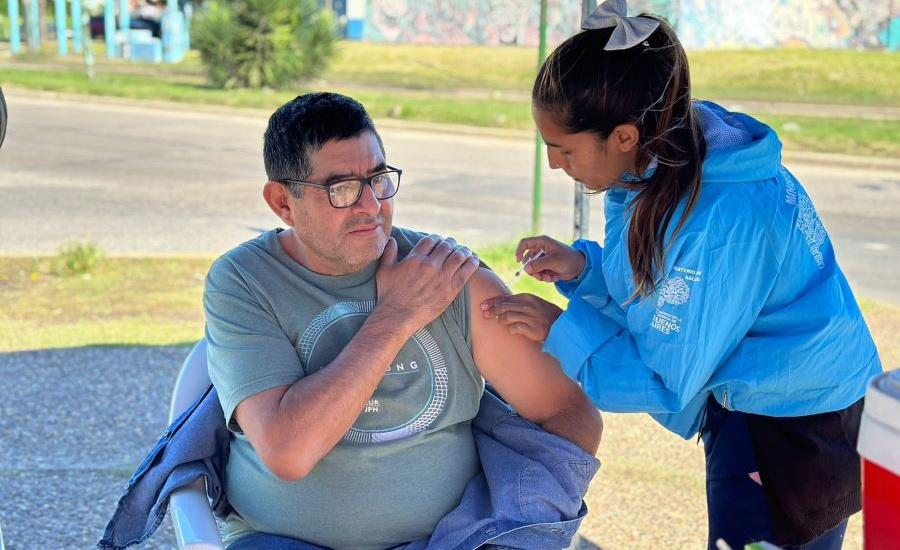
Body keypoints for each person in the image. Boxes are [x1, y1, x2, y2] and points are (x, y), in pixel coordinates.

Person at [480, 2, 883, 550]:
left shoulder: (718, 216)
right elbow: (663, 290)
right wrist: (587, 271)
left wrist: (562, 330)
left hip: (792, 425)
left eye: (562, 148)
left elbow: (665, 377)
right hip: (781, 398)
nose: (554, 164)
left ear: (623, 135)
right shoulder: (666, 156)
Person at [202, 91, 603, 550]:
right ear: (283, 203)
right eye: (341, 188)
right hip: (280, 539)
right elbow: (288, 452)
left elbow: (570, 416)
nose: (371, 206)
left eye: (377, 178)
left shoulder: (447, 273)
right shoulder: (246, 279)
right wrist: (396, 316)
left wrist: (518, 523)